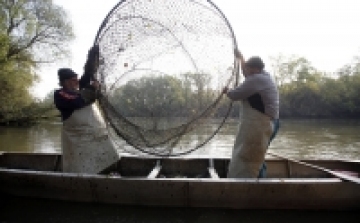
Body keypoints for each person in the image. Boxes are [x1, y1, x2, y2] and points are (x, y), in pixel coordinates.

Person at [54, 45, 120, 174]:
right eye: (73, 80)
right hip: (78, 141)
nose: (77, 82)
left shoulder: (79, 90)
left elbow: (87, 74)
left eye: (76, 79)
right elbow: (79, 101)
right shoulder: (60, 94)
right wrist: (92, 89)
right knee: (81, 168)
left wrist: (92, 58)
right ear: (65, 82)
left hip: (95, 138)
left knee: (106, 160)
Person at [223, 49, 280, 178]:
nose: (245, 71)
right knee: (258, 156)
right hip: (272, 123)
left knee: (251, 158)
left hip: (263, 124)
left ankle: (252, 187)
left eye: (248, 68)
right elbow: (246, 72)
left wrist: (227, 91)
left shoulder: (255, 80)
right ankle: (260, 180)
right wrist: (241, 58)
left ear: (254, 69)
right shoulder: (264, 75)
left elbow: (234, 95)